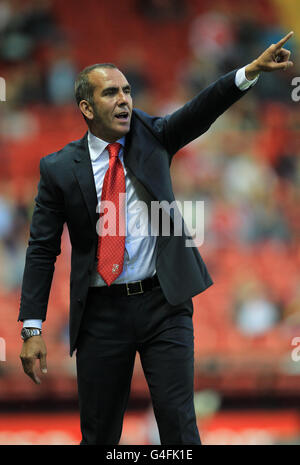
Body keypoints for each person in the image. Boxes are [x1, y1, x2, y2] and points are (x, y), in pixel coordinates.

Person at [19, 32, 294, 445]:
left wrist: (249, 73)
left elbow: (201, 110)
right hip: (100, 313)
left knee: (180, 430)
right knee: (99, 436)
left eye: (127, 90)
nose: (124, 99)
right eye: (111, 92)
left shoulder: (153, 134)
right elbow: (42, 248)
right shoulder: (58, 169)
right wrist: (32, 327)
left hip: (163, 305)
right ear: (86, 107)